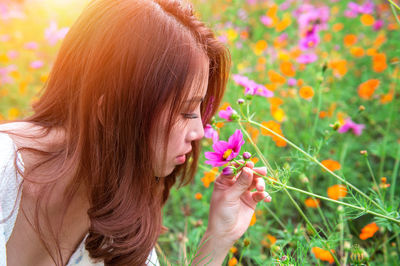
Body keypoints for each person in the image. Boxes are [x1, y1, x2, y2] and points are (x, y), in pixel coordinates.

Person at [0, 0, 271, 265]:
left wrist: (219, 238)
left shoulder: (120, 215)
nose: (199, 131)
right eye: (185, 111)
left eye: (200, 109)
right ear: (110, 112)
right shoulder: (4, 168)